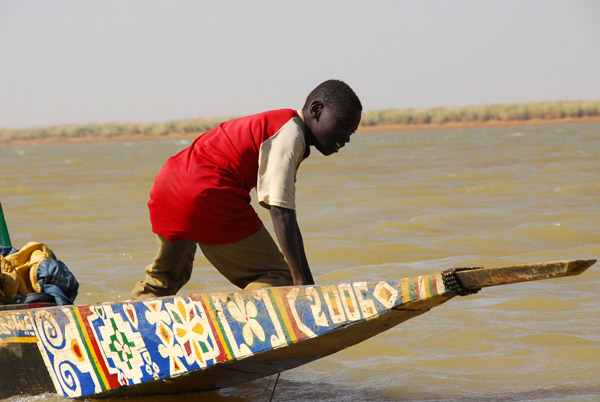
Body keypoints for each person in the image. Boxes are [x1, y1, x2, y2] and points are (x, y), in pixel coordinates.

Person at [130, 79, 362, 299]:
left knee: (164, 280)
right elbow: (281, 211)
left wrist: (308, 284)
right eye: (343, 125)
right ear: (317, 109)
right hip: (208, 193)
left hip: (168, 186)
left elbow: (289, 220)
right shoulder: (289, 132)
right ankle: (228, 322)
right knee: (280, 279)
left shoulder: (279, 125)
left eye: (351, 132)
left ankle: (131, 322)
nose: (346, 137)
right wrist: (300, 285)